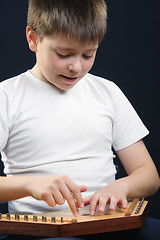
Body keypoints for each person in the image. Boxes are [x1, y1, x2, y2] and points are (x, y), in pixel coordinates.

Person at [0, 0, 159, 239]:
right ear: (33, 39)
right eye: (64, 54)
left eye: (88, 54)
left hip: (109, 223)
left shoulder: (108, 92)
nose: (76, 66)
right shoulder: (7, 96)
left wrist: (122, 186)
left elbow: (148, 174)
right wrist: (30, 185)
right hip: (45, 231)